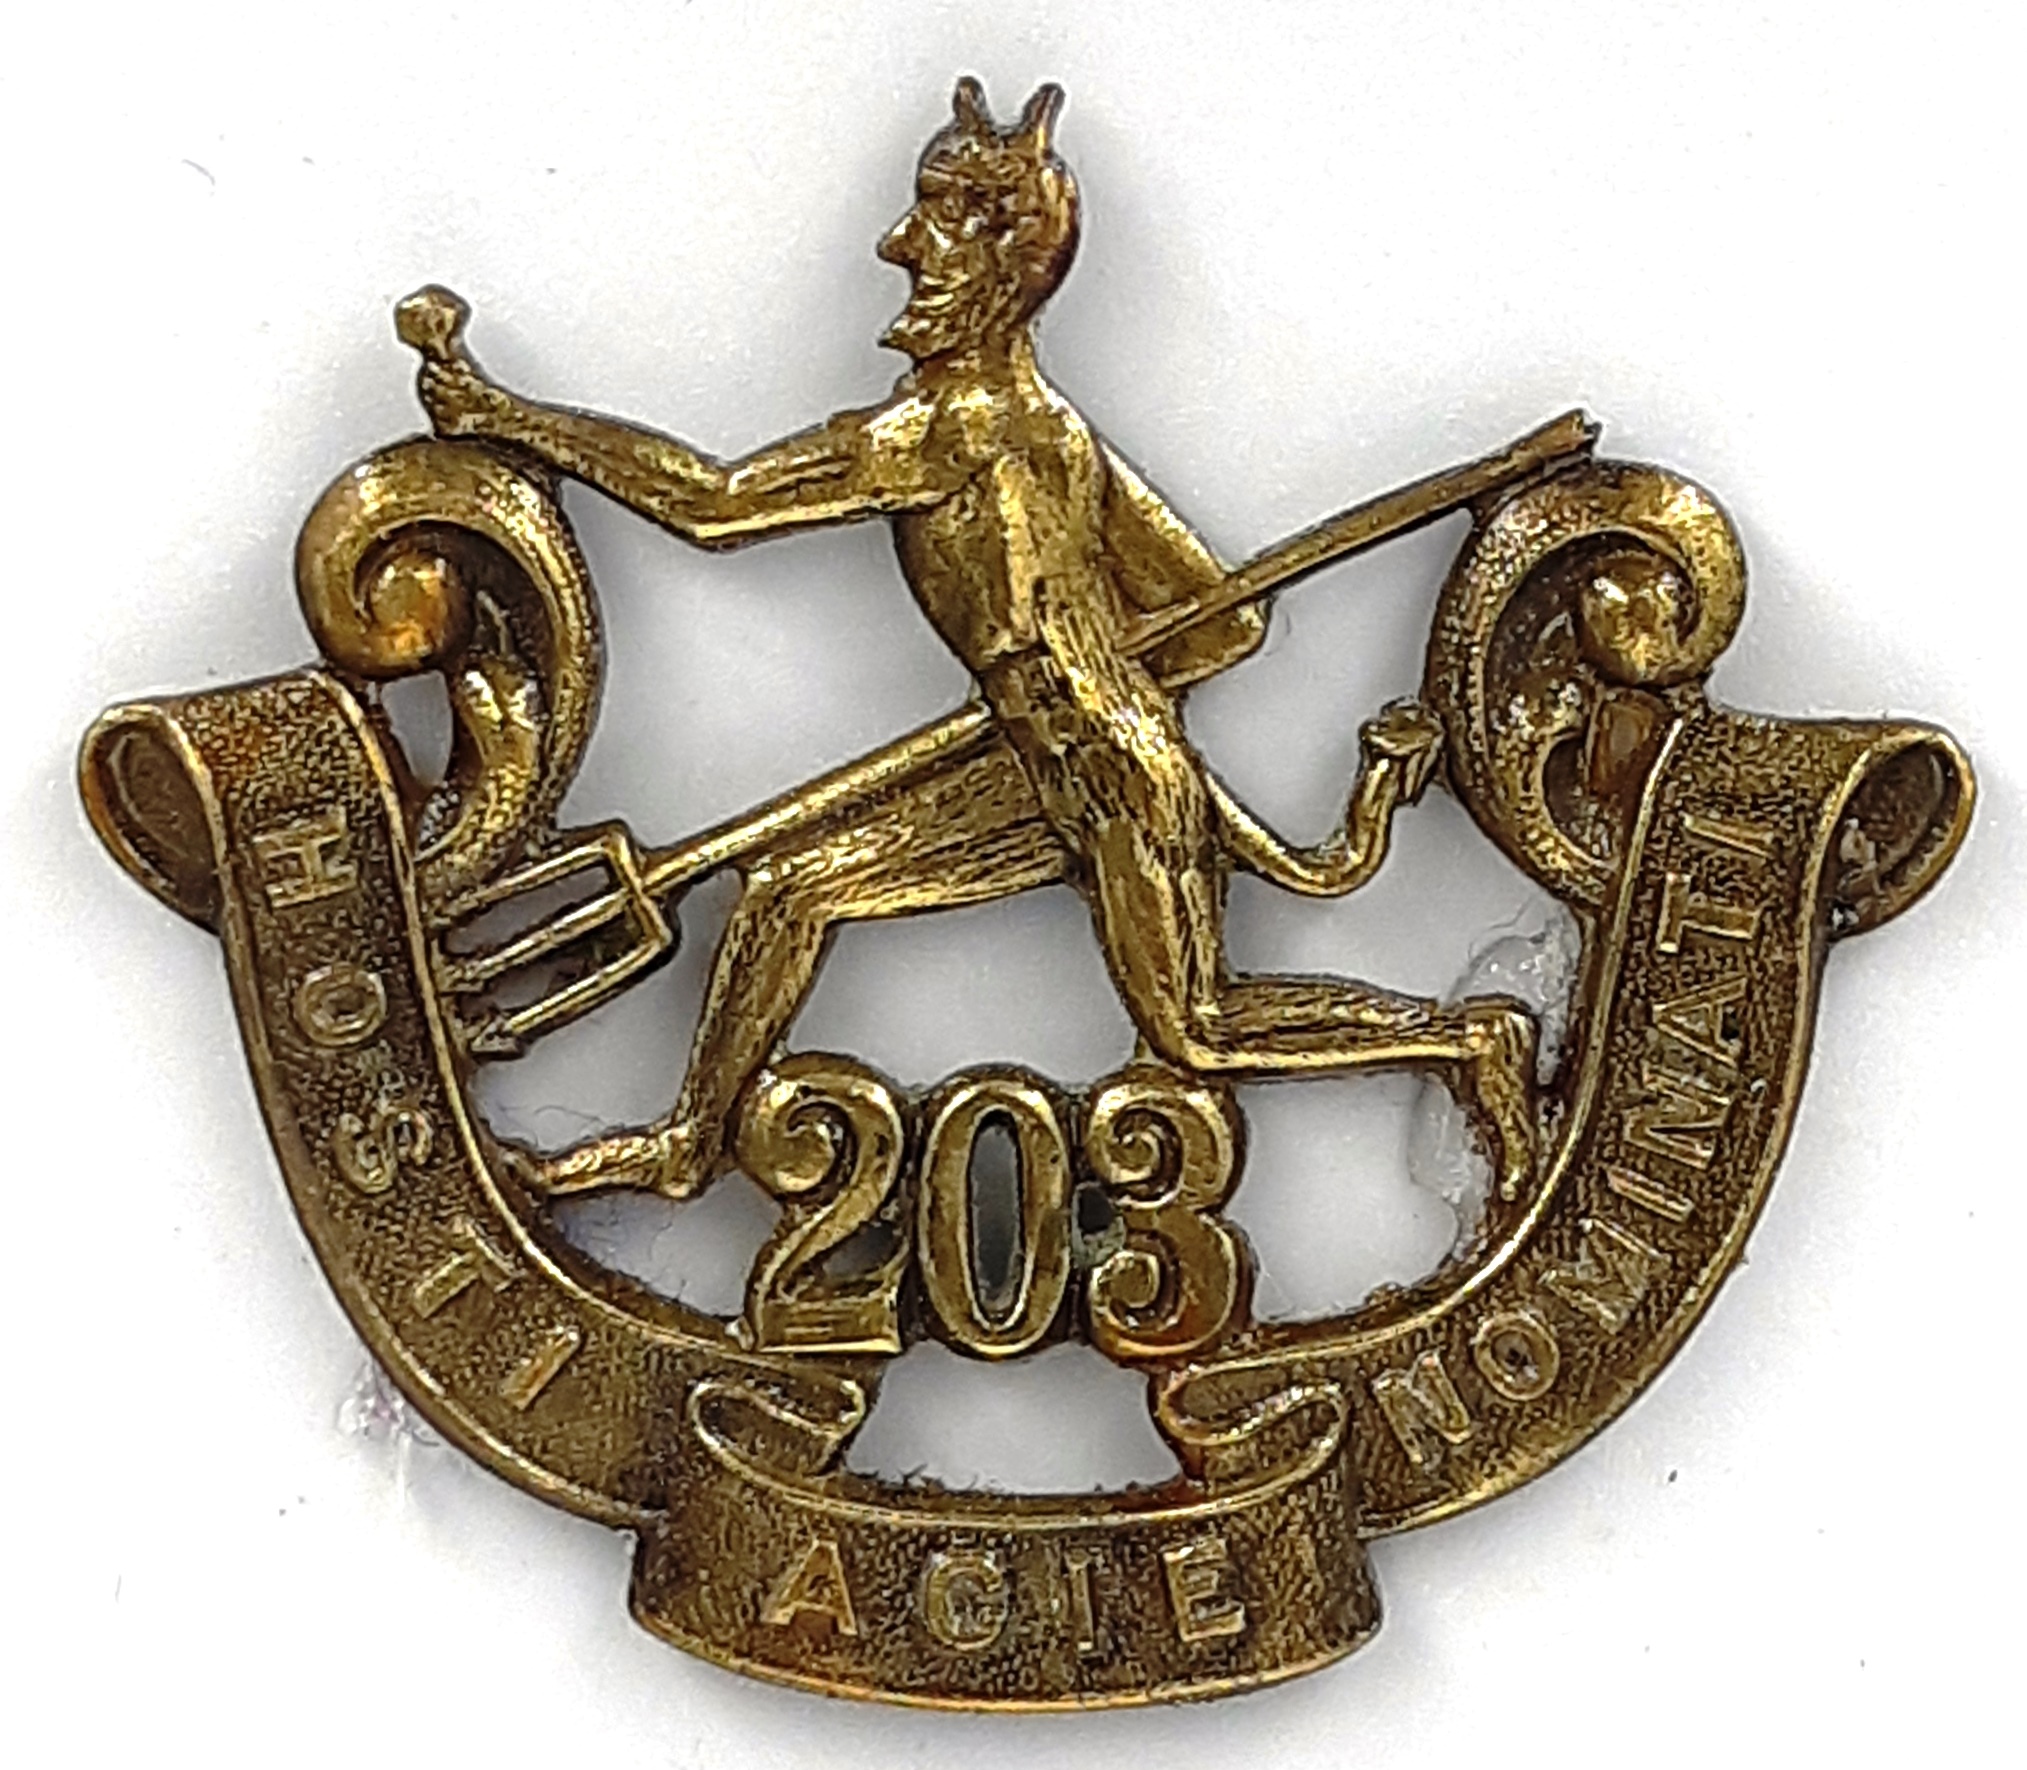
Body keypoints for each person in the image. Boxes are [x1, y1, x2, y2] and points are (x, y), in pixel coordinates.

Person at [420, 78, 1537, 1206]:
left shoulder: (942, 431)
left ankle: (1466, 1043)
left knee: (1197, 1027)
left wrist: (512, 420)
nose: (899, 244)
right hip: (1048, 754)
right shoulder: (1053, 427)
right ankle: (684, 1144)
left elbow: (717, 504)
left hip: (1101, 770)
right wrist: (1056, 683)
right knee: (783, 894)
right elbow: (1224, 619)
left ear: (1001, 261)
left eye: (935, 220)